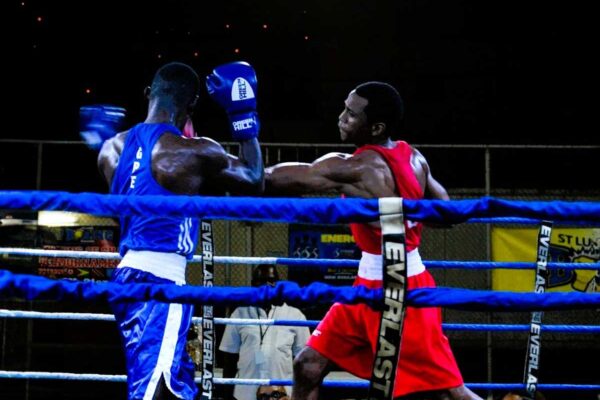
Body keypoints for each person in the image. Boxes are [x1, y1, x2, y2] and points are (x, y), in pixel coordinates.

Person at [265, 81, 481, 400]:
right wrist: (402, 210)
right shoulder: (414, 157)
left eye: (351, 114)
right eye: (345, 108)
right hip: (367, 285)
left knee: (449, 393)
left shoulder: (357, 166)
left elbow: (283, 178)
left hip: (402, 287)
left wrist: (236, 168)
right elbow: (448, 213)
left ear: (376, 127)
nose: (341, 117)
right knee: (307, 366)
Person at [94, 61, 264, 399]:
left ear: (148, 94)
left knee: (180, 386)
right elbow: (254, 179)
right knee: (153, 390)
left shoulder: (109, 149)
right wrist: (242, 115)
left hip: (126, 274)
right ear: (192, 105)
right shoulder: (192, 151)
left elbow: (124, 215)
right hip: (162, 282)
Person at [219, 264, 310, 400]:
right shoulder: (239, 313)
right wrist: (226, 396)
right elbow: (229, 360)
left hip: (282, 395)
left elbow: (304, 362)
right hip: (245, 394)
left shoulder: (295, 316)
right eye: (261, 281)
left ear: (278, 284)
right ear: (253, 284)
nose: (267, 285)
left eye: (271, 280)